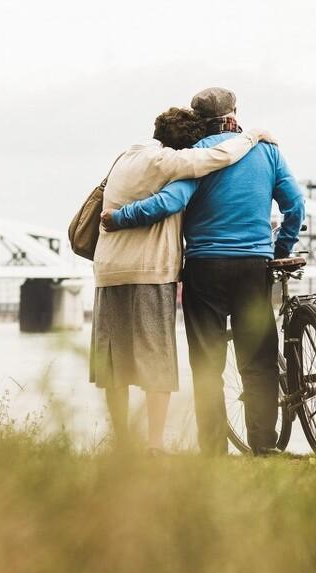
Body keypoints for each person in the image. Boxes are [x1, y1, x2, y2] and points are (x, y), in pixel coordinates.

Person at [101, 87, 305, 456]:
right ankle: (264, 446)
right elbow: (295, 207)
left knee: (207, 362)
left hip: (204, 269)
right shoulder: (268, 152)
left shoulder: (195, 156)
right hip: (252, 267)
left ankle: (212, 451)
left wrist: (119, 217)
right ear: (233, 113)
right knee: (258, 358)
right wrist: (280, 248)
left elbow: (170, 202)